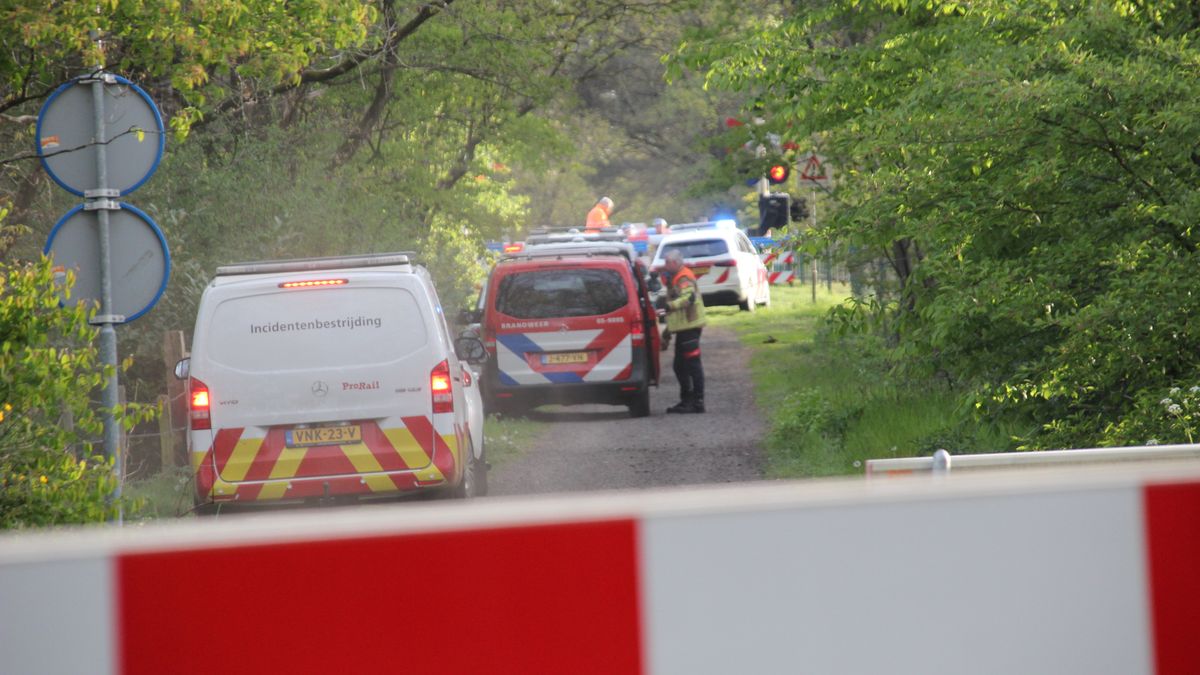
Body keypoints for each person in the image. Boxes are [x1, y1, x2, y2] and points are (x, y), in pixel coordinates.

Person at [655, 248, 707, 413]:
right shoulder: (675, 277)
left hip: (690, 327)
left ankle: (696, 402)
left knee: (692, 365)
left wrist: (669, 306)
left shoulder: (683, 277)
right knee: (680, 366)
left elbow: (688, 299)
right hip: (684, 328)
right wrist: (668, 332)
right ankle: (687, 400)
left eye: (667, 262)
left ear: (675, 263)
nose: (664, 265)